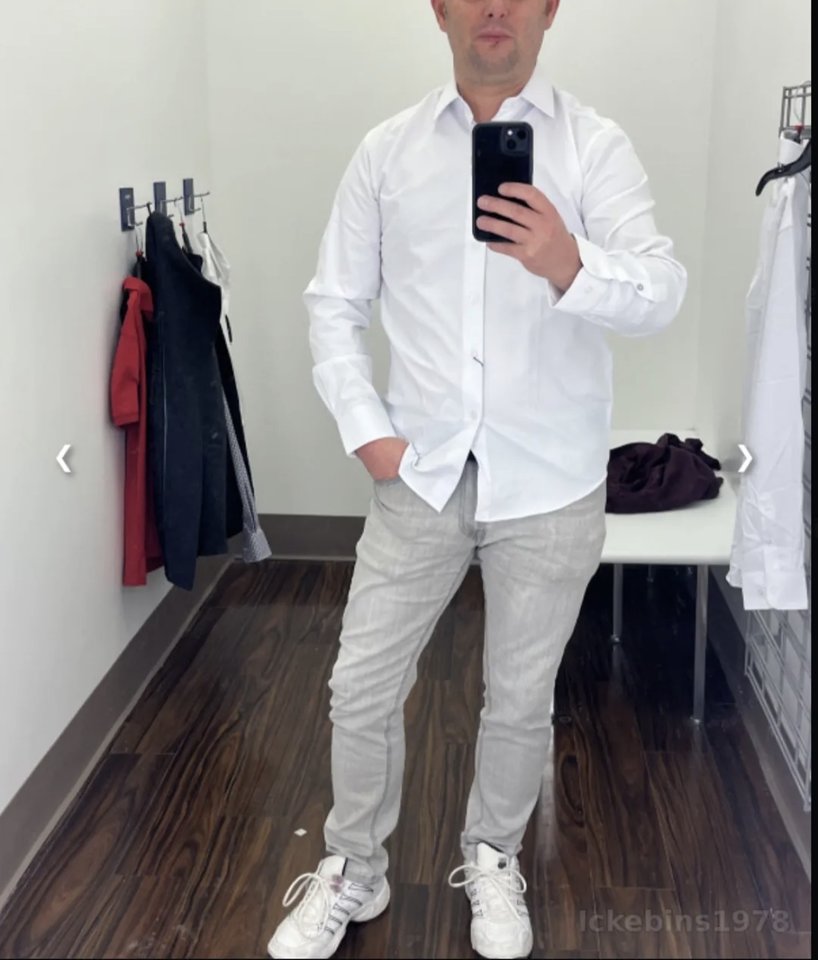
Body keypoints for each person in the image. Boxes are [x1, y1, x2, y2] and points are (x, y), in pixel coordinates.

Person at [267, 1, 687, 957]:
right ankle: (354, 867)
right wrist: (368, 432)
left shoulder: (595, 147)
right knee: (360, 686)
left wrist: (569, 262)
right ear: (440, 9)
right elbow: (334, 302)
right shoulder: (387, 152)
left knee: (520, 697)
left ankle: (492, 856)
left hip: (551, 482)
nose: (495, 6)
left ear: (549, 10)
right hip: (417, 474)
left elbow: (662, 292)